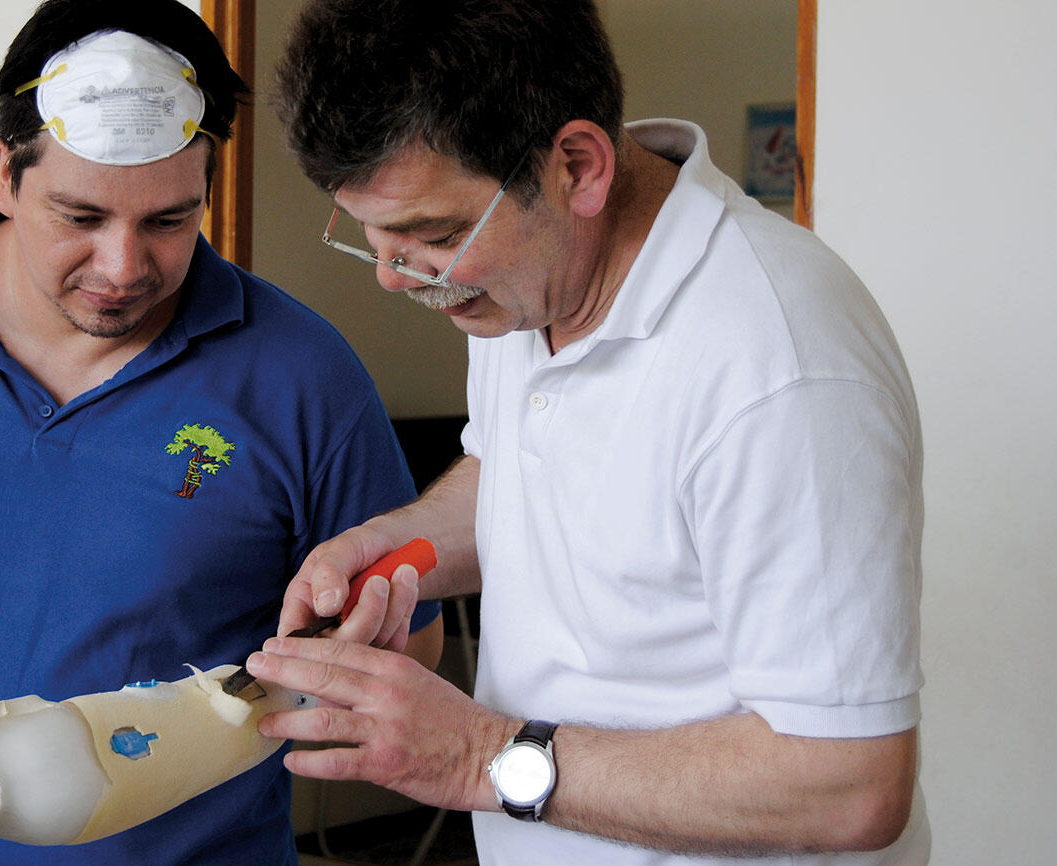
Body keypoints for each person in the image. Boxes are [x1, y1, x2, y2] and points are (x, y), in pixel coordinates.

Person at [0, 2, 441, 863]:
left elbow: (406, 636)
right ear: (6, 174)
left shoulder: (301, 374)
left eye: (168, 221)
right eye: (80, 218)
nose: (123, 269)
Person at [246, 1, 929, 863]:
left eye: (434, 235)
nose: (392, 278)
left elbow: (851, 785)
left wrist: (474, 756)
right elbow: (521, 483)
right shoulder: (523, 288)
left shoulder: (779, 361)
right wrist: (390, 545)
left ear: (577, 165)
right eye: (373, 237)